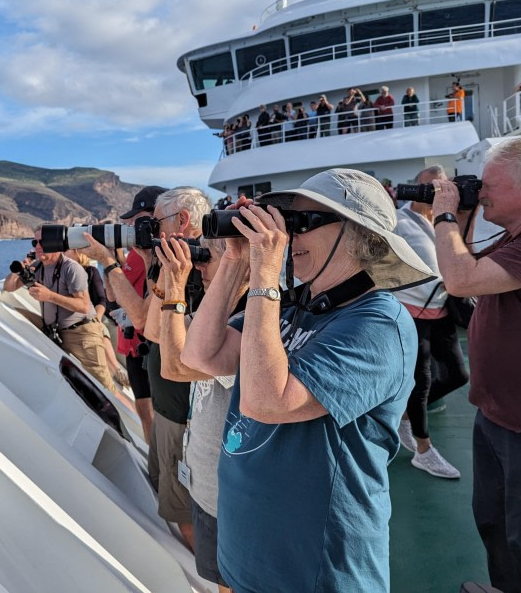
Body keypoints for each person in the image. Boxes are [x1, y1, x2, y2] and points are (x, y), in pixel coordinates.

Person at [181, 168, 434, 592]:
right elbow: (201, 355)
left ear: (358, 235)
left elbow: (268, 402)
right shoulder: (293, 308)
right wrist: (235, 261)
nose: (289, 236)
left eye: (304, 223)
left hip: (314, 571)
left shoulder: (378, 323)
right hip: (247, 558)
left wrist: (264, 275)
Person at [431, 137, 521, 592]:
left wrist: (442, 214)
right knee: (496, 528)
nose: (482, 193)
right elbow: (465, 265)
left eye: (488, 185)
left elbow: (460, 280)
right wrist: (458, 215)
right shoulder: (517, 236)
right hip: (496, 419)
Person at [84, 186, 212, 551]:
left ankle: (210, 579)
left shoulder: (204, 265)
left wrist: (107, 261)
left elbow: (143, 321)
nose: (149, 232)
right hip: (168, 405)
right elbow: (153, 328)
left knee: (186, 510)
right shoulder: (170, 263)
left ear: (183, 221)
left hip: (186, 412)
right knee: (171, 495)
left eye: (154, 224)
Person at [143, 232, 248, 593]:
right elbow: (154, 331)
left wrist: (176, 289)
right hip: (205, 484)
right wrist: (166, 274)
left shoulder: (247, 318)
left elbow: (174, 366)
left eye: (212, 255)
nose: (200, 264)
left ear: (241, 264)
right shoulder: (216, 309)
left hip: (228, 496)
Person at [393, 166, 468, 479]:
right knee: (420, 380)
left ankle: (406, 414)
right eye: (429, 188)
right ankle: (423, 450)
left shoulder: (445, 220)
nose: (435, 193)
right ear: (417, 188)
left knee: (458, 375)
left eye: (442, 187)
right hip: (411, 312)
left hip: (441, 309)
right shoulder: (397, 220)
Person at [3, 228, 117, 395]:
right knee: (14, 314)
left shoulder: (72, 268)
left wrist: (49, 296)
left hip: (82, 334)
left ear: (56, 243)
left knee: (107, 391)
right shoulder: (38, 267)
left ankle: (134, 420)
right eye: (35, 243)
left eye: (43, 242)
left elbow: (84, 306)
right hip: (55, 331)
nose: (38, 246)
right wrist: (19, 268)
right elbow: (9, 287)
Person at [97, 186, 166, 442]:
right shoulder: (133, 256)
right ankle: (153, 457)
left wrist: (108, 261)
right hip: (131, 343)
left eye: (139, 221)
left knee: (153, 410)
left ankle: (156, 457)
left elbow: (136, 310)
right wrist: (110, 258)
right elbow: (113, 296)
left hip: (145, 339)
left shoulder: (146, 256)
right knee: (143, 407)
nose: (133, 227)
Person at [65, 249, 129, 391]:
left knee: (100, 328)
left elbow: (101, 300)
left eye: (67, 249)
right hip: (73, 320)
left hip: (95, 315)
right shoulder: (62, 273)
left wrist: (97, 318)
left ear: (77, 252)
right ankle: (115, 371)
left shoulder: (90, 272)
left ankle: (117, 370)